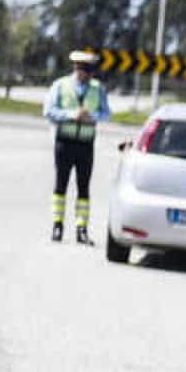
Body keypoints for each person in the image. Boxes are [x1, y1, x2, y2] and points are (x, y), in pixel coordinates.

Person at [42, 50, 111, 245]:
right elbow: (48, 111)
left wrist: (92, 117)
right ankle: (57, 225)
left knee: (84, 187)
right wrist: (71, 115)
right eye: (84, 71)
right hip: (65, 141)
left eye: (90, 72)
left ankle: (82, 229)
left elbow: (106, 114)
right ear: (76, 68)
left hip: (86, 144)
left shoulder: (98, 88)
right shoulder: (60, 85)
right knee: (60, 185)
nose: (87, 75)